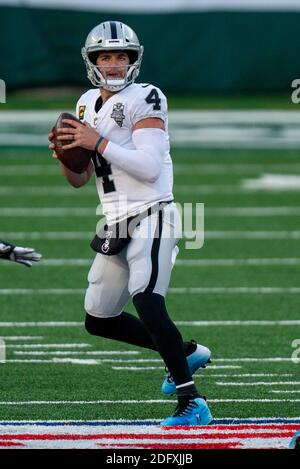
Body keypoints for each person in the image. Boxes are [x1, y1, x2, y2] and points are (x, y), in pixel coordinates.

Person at [49, 21, 213, 426]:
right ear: (92, 61)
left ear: (134, 60)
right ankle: (185, 352)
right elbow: (81, 179)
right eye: (106, 56)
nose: (116, 64)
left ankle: (193, 403)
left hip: (153, 212)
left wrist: (97, 143)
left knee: (147, 299)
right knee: (98, 318)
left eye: (122, 56)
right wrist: (66, 160)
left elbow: (150, 166)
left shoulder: (147, 96)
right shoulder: (87, 103)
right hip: (116, 220)